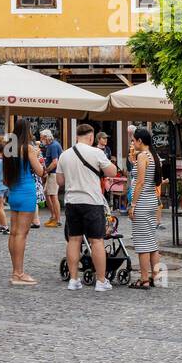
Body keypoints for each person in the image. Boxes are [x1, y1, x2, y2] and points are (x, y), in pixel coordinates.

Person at [59, 123, 119, 292]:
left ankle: (73, 280)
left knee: (74, 240)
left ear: (76, 136)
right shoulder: (97, 152)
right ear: (91, 137)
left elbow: (60, 182)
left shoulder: (65, 155)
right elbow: (112, 172)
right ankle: (101, 281)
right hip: (92, 201)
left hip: (72, 201)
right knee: (97, 240)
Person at [2, 120, 45, 286]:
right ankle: (19, 273)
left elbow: (5, 178)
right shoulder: (28, 149)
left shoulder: (8, 148)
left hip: (13, 193)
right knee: (22, 234)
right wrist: (39, 157)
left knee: (13, 233)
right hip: (27, 192)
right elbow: (40, 172)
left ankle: (14, 271)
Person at [127, 127, 162, 288]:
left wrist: (133, 204)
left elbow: (140, 182)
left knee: (142, 244)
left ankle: (144, 279)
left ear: (140, 141)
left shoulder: (142, 156)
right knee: (152, 242)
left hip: (142, 201)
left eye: (134, 140)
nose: (132, 143)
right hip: (152, 200)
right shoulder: (153, 155)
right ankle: (156, 276)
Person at [39, 128, 63, 228]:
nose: (40, 140)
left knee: (53, 195)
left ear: (46, 137)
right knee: (47, 194)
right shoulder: (51, 145)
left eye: (41, 138)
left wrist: (46, 171)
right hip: (52, 173)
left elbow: (55, 162)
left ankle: (57, 219)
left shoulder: (53, 146)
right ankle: (53, 216)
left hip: (53, 173)